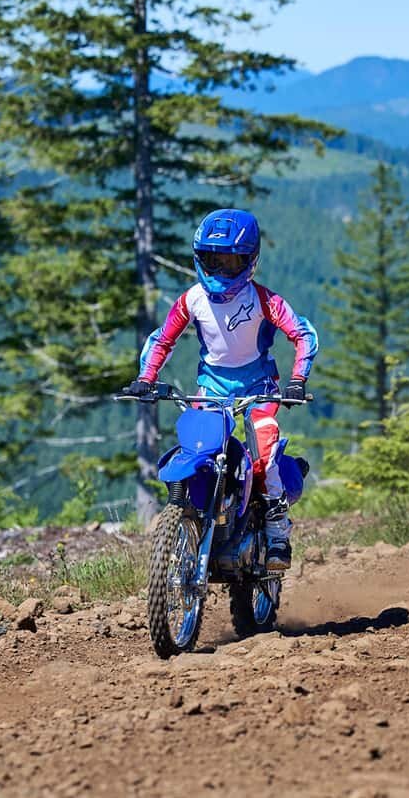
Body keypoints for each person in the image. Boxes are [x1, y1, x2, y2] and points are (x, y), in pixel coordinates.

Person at [125, 208, 318, 570]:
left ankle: (277, 531)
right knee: (196, 449)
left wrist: (297, 380)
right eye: (213, 260)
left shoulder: (265, 300)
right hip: (210, 388)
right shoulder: (191, 300)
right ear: (199, 258)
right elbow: (163, 339)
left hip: (259, 388)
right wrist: (146, 377)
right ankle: (196, 518)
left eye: (231, 262)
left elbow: (303, 334)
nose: (221, 270)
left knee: (264, 454)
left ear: (250, 260)